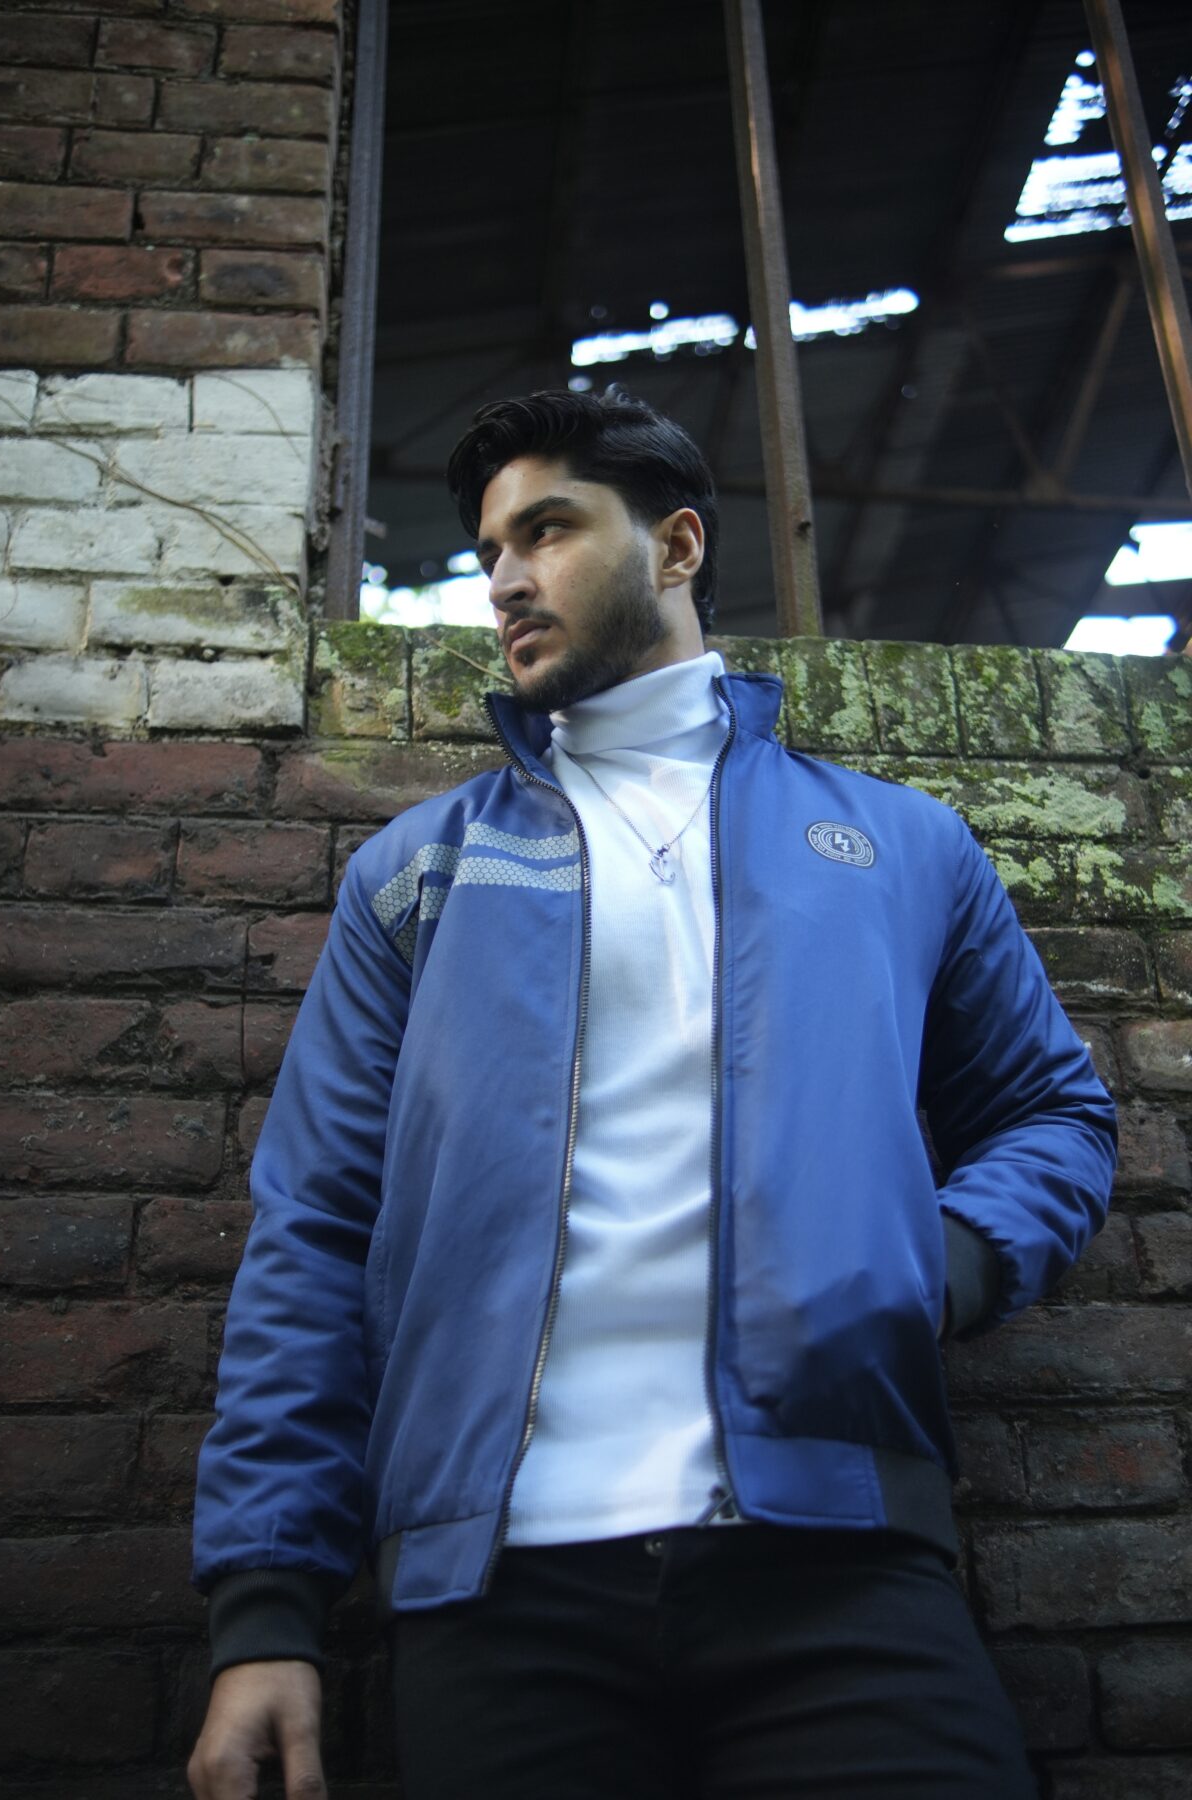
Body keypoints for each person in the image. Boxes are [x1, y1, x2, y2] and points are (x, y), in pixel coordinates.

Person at [189, 389, 1116, 1799]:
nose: (505, 578)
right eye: (489, 550)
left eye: (548, 530)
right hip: (493, 1593)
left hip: (842, 1565)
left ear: (677, 548)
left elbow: (1054, 1110)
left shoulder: (900, 845)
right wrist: (267, 1606)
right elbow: (313, 1230)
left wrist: (942, 1263)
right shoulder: (417, 872)